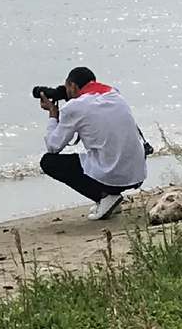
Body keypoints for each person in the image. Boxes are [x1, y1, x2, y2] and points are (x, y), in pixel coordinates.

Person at [38, 66, 147, 220]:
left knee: (49, 161)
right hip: (137, 172)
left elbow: (53, 146)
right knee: (100, 154)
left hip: (113, 175)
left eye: (67, 87)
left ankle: (104, 197)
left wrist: (52, 115)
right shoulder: (113, 93)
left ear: (73, 86)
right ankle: (110, 201)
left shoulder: (74, 107)